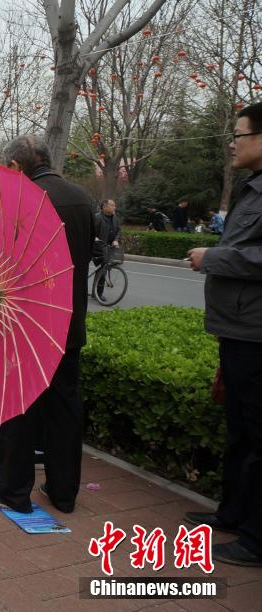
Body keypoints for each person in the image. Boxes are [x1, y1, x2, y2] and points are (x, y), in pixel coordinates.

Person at [0, 134, 95, 516]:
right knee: (64, 410)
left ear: (15, 167)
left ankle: (13, 490)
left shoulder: (22, 201)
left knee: (18, 406)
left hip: (25, 325)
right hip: (68, 323)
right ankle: (63, 493)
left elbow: (6, 266)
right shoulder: (82, 198)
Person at [185, 101, 262, 567]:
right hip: (238, 330)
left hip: (257, 334)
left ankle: (255, 537)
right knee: (238, 431)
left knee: (258, 436)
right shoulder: (251, 190)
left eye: (240, 134)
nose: (232, 143)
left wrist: (211, 258)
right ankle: (233, 513)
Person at [93, 198, 121, 265]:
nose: (115, 207)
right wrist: (94, 237)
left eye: (114, 205)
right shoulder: (97, 217)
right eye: (112, 205)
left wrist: (116, 240)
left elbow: (119, 230)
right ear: (104, 207)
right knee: (102, 267)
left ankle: (100, 275)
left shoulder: (115, 217)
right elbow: (91, 230)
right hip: (98, 248)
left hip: (109, 248)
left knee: (104, 268)